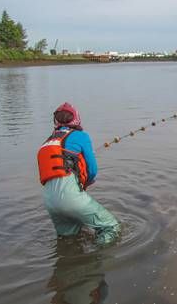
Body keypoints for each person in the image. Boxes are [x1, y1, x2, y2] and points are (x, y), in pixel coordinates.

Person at [37, 102, 120, 245]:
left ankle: (69, 260)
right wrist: (87, 181)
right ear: (76, 119)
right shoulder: (81, 136)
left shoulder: (47, 142)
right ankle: (98, 262)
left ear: (55, 121)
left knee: (69, 239)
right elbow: (92, 170)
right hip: (70, 198)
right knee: (111, 228)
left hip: (49, 201)